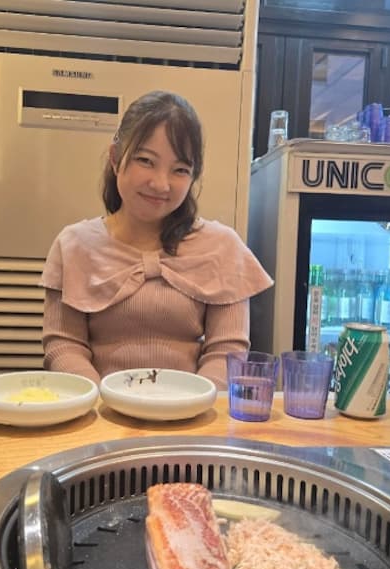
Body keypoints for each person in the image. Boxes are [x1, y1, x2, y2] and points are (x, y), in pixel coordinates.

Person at [40, 90, 273, 390]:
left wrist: (190, 403)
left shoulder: (223, 247)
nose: (161, 184)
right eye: (146, 160)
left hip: (191, 411)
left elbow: (226, 351)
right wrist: (102, 400)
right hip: (101, 409)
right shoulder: (73, 245)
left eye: (180, 170)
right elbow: (64, 345)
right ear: (115, 158)